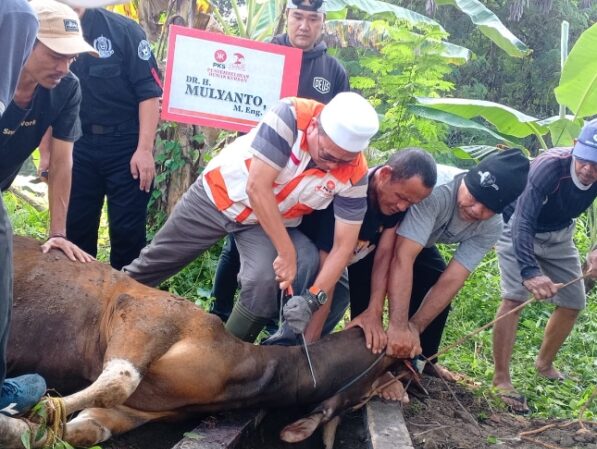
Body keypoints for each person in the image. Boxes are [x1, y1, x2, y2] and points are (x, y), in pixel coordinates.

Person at [124, 92, 379, 342]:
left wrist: (314, 298)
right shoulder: (290, 116)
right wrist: (286, 252)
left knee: (263, 283)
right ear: (314, 126)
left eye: (344, 160)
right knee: (154, 262)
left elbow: (344, 246)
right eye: (328, 156)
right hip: (218, 197)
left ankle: (225, 355)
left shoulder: (355, 173)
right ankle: (98, 309)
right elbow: (257, 187)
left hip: (262, 223)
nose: (333, 167)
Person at [210, 0, 350, 322]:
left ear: (322, 22)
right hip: (260, 166)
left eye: (312, 19)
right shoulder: (263, 55)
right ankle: (219, 309)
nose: (304, 25)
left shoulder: (334, 71)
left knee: (292, 247)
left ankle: (275, 317)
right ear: (287, 17)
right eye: (298, 17)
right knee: (238, 242)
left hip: (305, 180)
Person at [351, 149, 530, 383]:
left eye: (488, 208)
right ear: (466, 179)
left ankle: (417, 359)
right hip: (388, 231)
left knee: (436, 278)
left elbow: (453, 278)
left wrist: (413, 327)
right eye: (474, 198)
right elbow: (402, 258)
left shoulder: (492, 227)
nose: (477, 210)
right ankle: (364, 360)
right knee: (368, 270)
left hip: (422, 241)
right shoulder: (438, 192)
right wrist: (397, 325)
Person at [0, 0, 96, 415]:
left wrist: (58, 232)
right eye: (55, 53)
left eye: (71, 54)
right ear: (25, 41)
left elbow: (62, 160)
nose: (64, 64)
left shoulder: (67, 88)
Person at [265, 148, 437, 346]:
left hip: (340, 256)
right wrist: (310, 347)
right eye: (401, 198)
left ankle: (306, 342)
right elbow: (328, 266)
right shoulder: (351, 193)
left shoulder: (396, 203)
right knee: (312, 271)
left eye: (411, 203)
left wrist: (375, 310)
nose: (402, 207)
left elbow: (383, 256)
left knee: (342, 292)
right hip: (306, 242)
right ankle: (285, 342)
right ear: (385, 174)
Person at [491, 121, 597, 414]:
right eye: (585, 159)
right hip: (519, 229)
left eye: (596, 165)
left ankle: (544, 364)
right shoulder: (550, 166)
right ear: (576, 145)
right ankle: (501, 378)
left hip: (560, 234)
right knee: (514, 298)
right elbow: (523, 219)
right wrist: (530, 272)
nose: (588, 170)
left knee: (574, 301)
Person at [55, 5, 162, 270]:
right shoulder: (49, 28)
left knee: (128, 233)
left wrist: (144, 150)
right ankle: (79, 298)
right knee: (75, 230)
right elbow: (48, 94)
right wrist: (48, 154)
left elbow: (149, 94)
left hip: (126, 145)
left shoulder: (124, 31)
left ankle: (124, 302)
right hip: (77, 144)